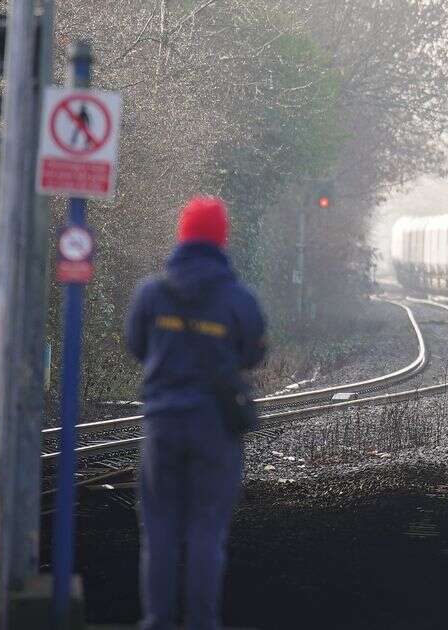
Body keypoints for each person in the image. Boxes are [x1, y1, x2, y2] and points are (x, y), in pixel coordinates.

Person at [125, 196, 268, 629]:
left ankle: (157, 622)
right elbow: (253, 354)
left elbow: (136, 345)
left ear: (182, 235)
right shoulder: (238, 299)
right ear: (222, 239)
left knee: (161, 530)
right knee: (207, 530)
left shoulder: (152, 293)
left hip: (163, 424)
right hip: (215, 428)